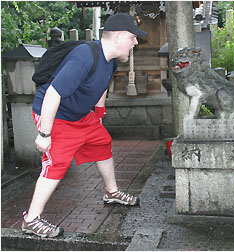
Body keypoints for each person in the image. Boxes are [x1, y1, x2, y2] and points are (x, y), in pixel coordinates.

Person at [21, 13, 147, 238]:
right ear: (118, 36)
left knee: (102, 142)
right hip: (54, 114)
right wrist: (44, 134)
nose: (136, 42)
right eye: (132, 37)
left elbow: (101, 88)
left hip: (80, 115)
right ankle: (31, 219)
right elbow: (53, 93)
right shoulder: (84, 56)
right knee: (57, 163)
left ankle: (112, 192)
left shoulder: (110, 60)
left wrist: (98, 116)